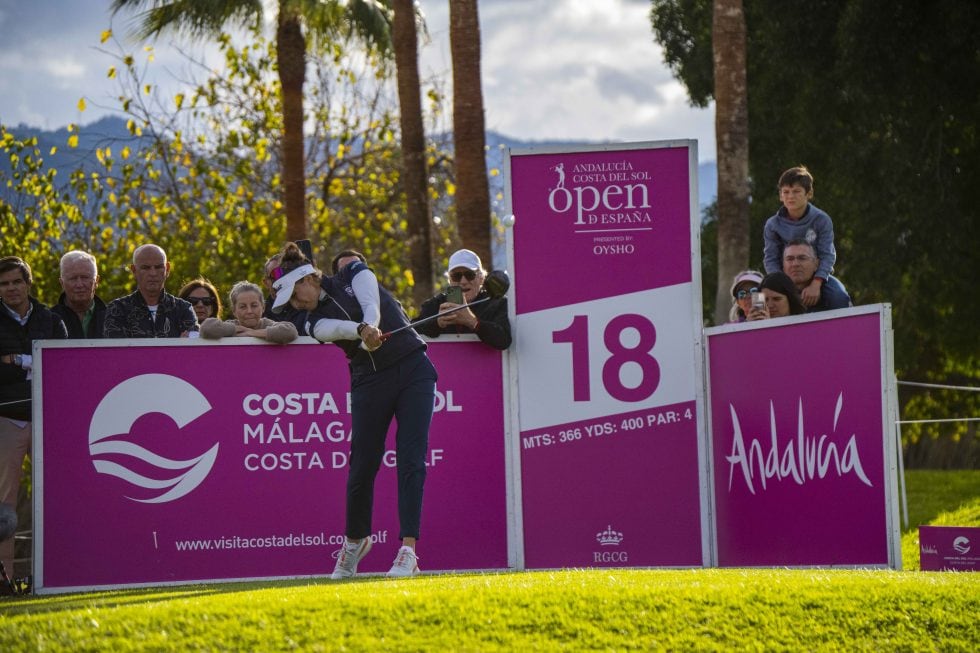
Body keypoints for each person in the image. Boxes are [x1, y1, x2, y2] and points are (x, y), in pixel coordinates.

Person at [272, 242, 436, 579]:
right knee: (362, 465)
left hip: (413, 369)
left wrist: (370, 324)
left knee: (411, 458)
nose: (293, 302)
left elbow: (370, 302)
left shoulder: (352, 272)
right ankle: (355, 542)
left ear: (307, 280)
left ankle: (408, 551)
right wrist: (362, 332)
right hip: (369, 381)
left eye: (293, 294)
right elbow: (336, 330)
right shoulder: (310, 320)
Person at [0, 256, 67, 577]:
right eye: (4, 284)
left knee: (58, 498)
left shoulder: (50, 319)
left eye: (16, 281)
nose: (11, 288)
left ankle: (56, 574)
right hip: (7, 420)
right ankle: (5, 577)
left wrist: (18, 360)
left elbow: (63, 365)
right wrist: (34, 362)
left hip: (47, 421)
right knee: (4, 505)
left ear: (28, 283)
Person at [763, 165, 837, 307]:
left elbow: (828, 255)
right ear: (780, 195)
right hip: (785, 280)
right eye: (786, 192)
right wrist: (783, 286)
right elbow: (770, 259)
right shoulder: (772, 225)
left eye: (796, 191)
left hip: (817, 278)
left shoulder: (821, 219)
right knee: (765, 304)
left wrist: (816, 283)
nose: (790, 196)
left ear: (808, 194)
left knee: (838, 297)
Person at [414, 249, 512, 350]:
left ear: (481, 278)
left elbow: (504, 340)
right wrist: (437, 323)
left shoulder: (496, 303)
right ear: (450, 280)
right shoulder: (435, 304)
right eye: (456, 276)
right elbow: (409, 333)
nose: (463, 281)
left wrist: (473, 322)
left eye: (470, 275)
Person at [103, 244, 198, 338]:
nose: (153, 273)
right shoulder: (118, 309)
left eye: (158, 267)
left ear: (167, 269)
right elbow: (117, 351)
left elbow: (190, 350)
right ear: (134, 270)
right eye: (145, 268)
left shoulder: (183, 309)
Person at [199, 281, 297, 343]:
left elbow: (290, 331)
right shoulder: (231, 326)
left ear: (263, 307)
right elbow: (206, 328)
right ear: (234, 311)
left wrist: (252, 333)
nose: (249, 311)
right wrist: (236, 329)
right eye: (243, 307)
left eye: (254, 305)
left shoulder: (267, 324)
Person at [781, 240, 851, 312]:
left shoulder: (835, 295)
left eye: (802, 258)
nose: (795, 264)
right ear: (783, 266)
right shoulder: (773, 292)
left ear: (816, 264)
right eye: (789, 259)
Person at [51, 250, 107, 338]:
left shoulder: (114, 320)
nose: (79, 285)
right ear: (62, 283)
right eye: (73, 278)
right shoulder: (48, 321)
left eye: (85, 277)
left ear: (96, 281)